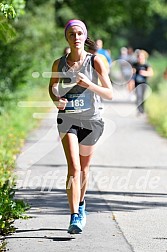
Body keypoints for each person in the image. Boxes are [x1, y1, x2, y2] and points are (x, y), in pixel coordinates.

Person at [49, 19, 112, 234]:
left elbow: (109, 93)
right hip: (67, 119)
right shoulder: (59, 63)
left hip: (92, 120)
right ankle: (74, 215)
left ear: (85, 37)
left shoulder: (96, 61)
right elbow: (52, 88)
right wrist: (56, 99)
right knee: (74, 168)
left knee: (84, 170)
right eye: (71, 34)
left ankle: (82, 204)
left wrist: (90, 84)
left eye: (79, 34)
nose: (76, 37)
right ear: (67, 37)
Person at [128, 49, 153, 115]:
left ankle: (142, 109)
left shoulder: (147, 65)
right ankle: (139, 109)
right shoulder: (135, 64)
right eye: (139, 56)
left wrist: (145, 73)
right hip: (137, 83)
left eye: (141, 56)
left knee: (143, 97)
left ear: (144, 57)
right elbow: (131, 72)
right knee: (138, 95)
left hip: (144, 83)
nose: (140, 58)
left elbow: (151, 73)